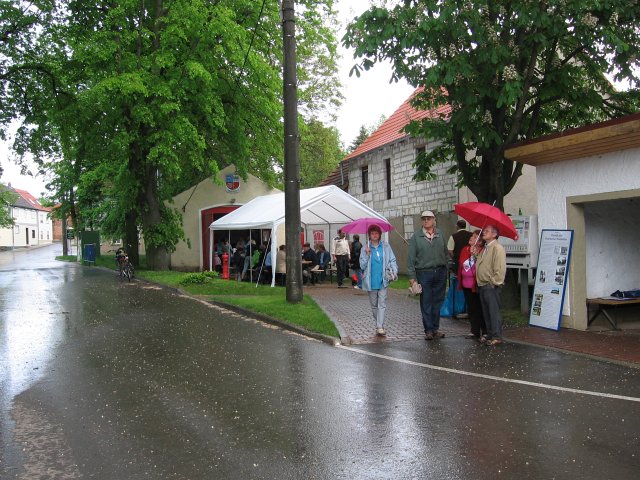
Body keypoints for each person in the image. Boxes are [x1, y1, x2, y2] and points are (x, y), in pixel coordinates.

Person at [408, 210, 449, 341]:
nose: (426, 221)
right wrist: (411, 277)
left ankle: (435, 328)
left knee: (438, 301)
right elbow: (410, 258)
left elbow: (445, 252)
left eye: (429, 218)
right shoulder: (416, 237)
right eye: (424, 219)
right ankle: (429, 330)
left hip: (440, 272)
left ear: (434, 220)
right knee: (426, 302)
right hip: (424, 273)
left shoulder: (440, 233)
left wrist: (447, 267)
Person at [360, 225, 398, 336]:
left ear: (379, 234)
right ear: (369, 235)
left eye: (376, 233)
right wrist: (367, 255)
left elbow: (392, 260)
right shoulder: (365, 248)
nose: (375, 235)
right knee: (374, 305)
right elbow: (362, 266)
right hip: (371, 281)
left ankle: (379, 326)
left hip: (383, 280)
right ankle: (379, 323)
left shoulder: (386, 247)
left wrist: (394, 271)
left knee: (382, 303)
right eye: (372, 233)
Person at [476, 225, 507, 346]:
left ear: (494, 234)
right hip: (482, 284)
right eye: (484, 231)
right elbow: (482, 264)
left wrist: (494, 282)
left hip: (490, 285)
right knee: (486, 312)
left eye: (487, 231)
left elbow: (500, 267)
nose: (484, 233)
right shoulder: (485, 248)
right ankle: (490, 333)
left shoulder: (497, 248)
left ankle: (496, 336)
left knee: (493, 311)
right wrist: (475, 254)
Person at [457, 230, 487, 341]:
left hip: (477, 284)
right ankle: (474, 330)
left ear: (480, 242)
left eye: (475, 237)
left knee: (480, 308)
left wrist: (475, 255)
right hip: (466, 284)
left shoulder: (482, 251)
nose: (471, 238)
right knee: (471, 308)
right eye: (472, 236)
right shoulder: (465, 250)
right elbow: (461, 264)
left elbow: (482, 267)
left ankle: (484, 331)